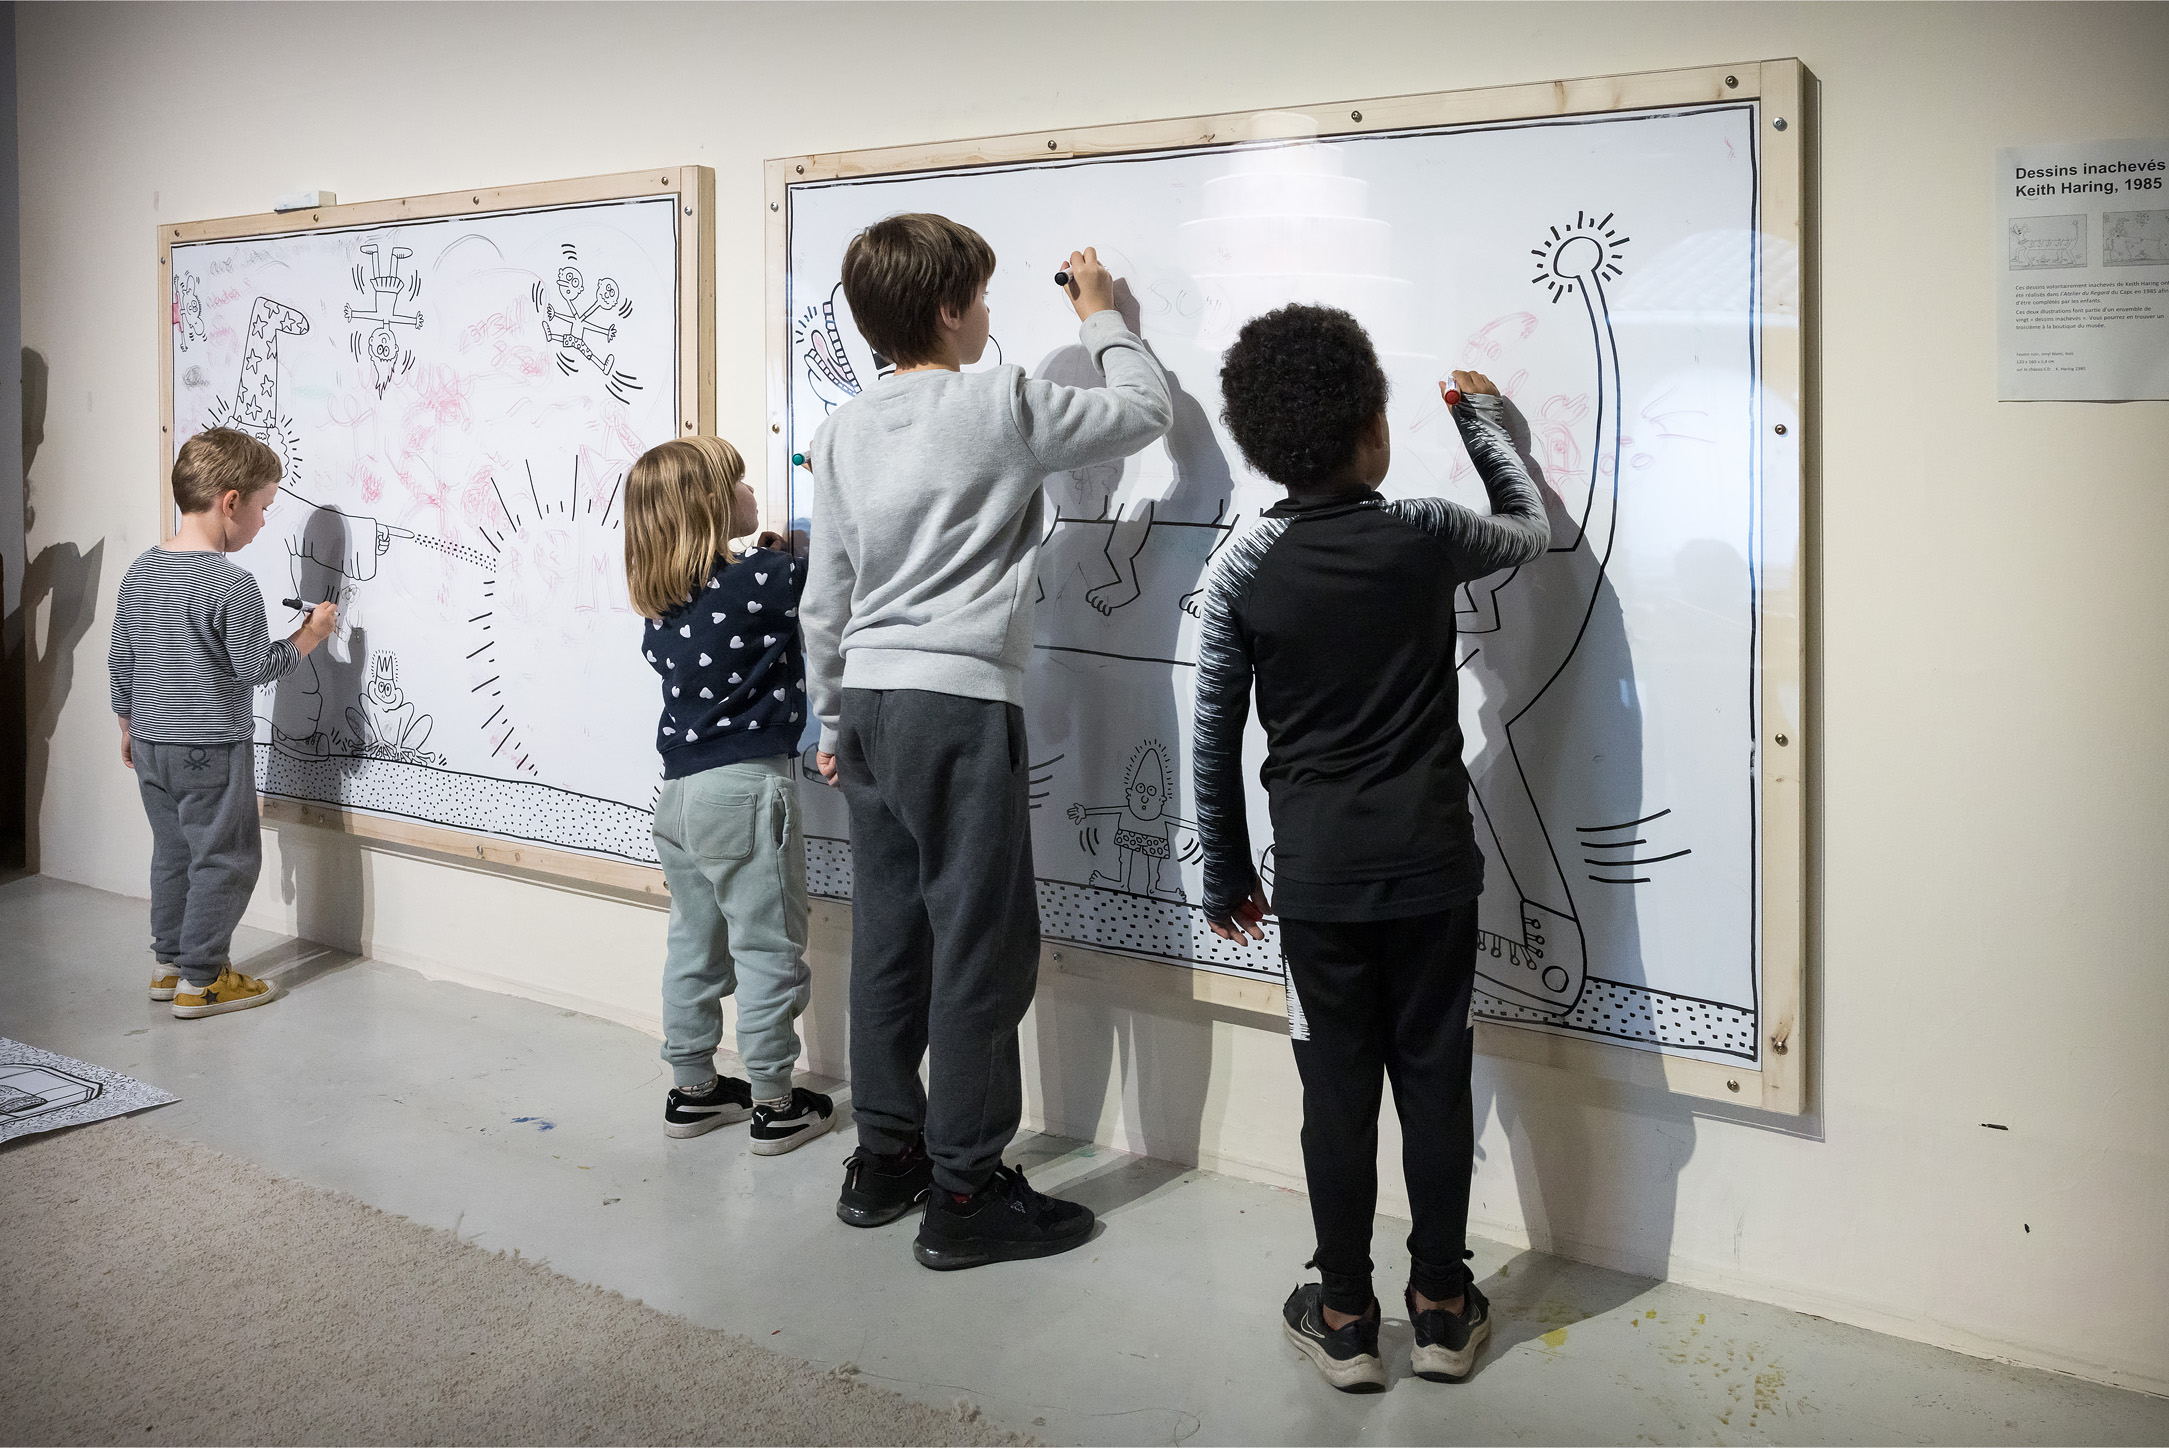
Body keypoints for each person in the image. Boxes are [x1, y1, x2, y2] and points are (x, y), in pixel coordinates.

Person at [1191, 305, 1550, 1391]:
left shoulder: (1242, 568)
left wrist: (1225, 869)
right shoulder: (1425, 533)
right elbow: (1529, 527)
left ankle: (1344, 1316)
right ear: (1373, 432)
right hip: (1434, 866)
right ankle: (1442, 1306)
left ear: (1260, 444)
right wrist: (1482, 420)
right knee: (1436, 1079)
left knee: (1334, 1091)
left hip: (1317, 881)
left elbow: (1212, 727)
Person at [801, 215, 1171, 1268]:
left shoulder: (842, 430)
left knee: (890, 933)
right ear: (952, 310)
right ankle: (966, 1192)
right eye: (984, 297)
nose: (993, 315)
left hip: (869, 701)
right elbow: (1143, 413)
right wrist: (1101, 315)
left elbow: (827, 597)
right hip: (958, 704)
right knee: (979, 945)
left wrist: (831, 717)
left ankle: (886, 1157)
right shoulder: (998, 402)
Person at [625, 434, 833, 1155]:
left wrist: (771, 551)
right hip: (746, 791)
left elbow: (746, 592)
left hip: (679, 797)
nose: (753, 494)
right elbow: (833, 568)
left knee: (694, 943)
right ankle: (775, 1101)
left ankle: (693, 1089)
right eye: (741, 485)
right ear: (713, 506)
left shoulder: (663, 604)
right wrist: (790, 546)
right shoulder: (768, 581)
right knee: (768, 947)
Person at [109, 427, 337, 1018]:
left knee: (174, 853)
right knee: (228, 857)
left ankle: (170, 965)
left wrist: (129, 724)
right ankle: (203, 979)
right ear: (229, 501)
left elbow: (122, 659)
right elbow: (255, 667)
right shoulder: (230, 580)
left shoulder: (141, 569)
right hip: (210, 743)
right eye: (263, 508)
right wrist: (310, 636)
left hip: (152, 742)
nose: (264, 523)